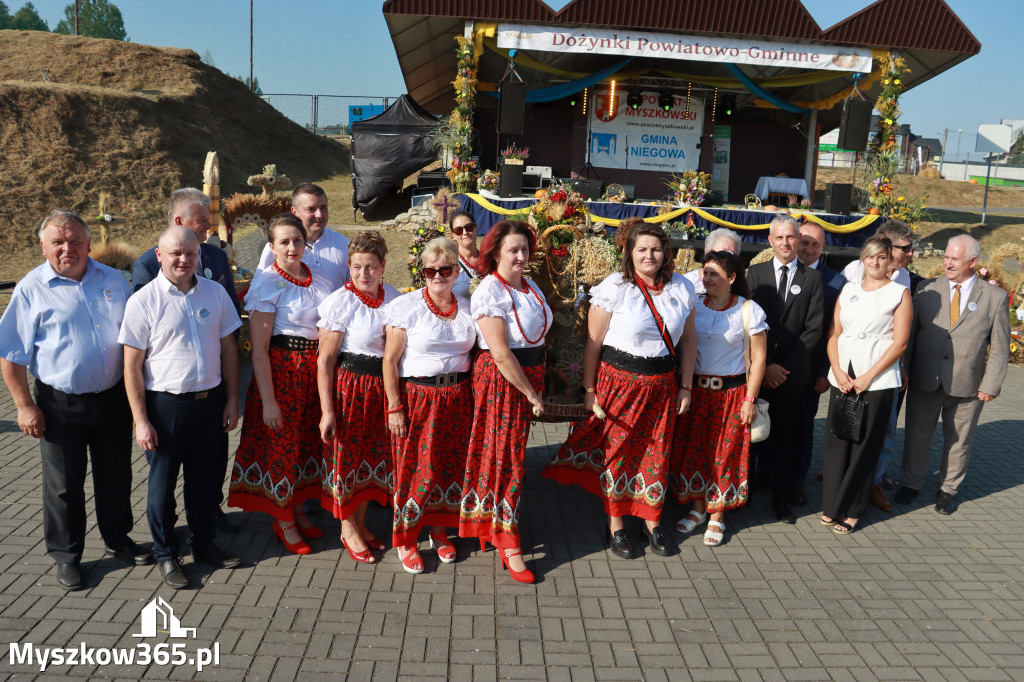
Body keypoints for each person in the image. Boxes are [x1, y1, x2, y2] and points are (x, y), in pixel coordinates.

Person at [0, 210, 152, 590]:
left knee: (116, 475)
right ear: (43, 246)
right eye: (58, 242)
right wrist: (23, 406)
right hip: (59, 404)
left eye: (75, 241)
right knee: (64, 485)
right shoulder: (31, 289)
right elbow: (10, 355)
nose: (67, 249)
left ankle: (117, 538)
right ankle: (67, 555)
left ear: (87, 243)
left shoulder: (113, 279)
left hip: (113, 399)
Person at [544, 222, 697, 559]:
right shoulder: (615, 287)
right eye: (641, 249)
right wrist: (590, 389)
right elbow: (593, 344)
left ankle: (652, 522)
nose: (649, 255)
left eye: (656, 249)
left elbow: (688, 341)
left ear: (666, 253)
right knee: (619, 454)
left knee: (655, 454)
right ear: (630, 252)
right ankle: (616, 526)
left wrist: (685, 386)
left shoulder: (682, 287)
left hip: (662, 387)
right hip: (619, 384)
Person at [120, 226, 242, 589]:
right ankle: (166, 554)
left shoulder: (216, 293)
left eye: (191, 253)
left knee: (204, 485)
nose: (184, 259)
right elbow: (131, 366)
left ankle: (204, 545)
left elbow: (230, 350)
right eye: (175, 253)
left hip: (210, 403)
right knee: (161, 490)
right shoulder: (143, 301)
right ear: (159, 256)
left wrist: (233, 400)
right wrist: (140, 420)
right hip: (165, 408)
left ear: (199, 255)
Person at [132, 187, 241, 533]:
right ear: (179, 221)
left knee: (210, 461)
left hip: (212, 383)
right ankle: (167, 539)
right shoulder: (148, 266)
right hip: (167, 395)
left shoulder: (215, 255)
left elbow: (229, 309)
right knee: (164, 476)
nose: (209, 227)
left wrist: (230, 391)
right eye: (203, 221)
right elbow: (145, 337)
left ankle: (210, 514)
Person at [228, 213, 332, 554]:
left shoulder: (316, 279)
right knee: (282, 448)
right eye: (284, 242)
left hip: (311, 375)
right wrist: (269, 401)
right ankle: (283, 520)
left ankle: (298, 510)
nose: (291, 247)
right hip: (282, 374)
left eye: (297, 240)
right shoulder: (269, 283)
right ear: (271, 247)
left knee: (305, 445)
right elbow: (258, 351)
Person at [458, 220, 551, 584]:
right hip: (503, 382)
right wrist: (529, 392)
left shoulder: (529, 286)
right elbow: (499, 353)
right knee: (504, 458)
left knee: (506, 454)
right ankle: (507, 540)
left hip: (525, 378)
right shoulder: (489, 292)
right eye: (513, 249)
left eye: (525, 249)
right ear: (495, 252)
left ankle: (491, 526)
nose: (521, 256)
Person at [895, 234, 1010, 515]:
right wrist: (904, 368)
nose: (947, 263)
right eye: (946, 257)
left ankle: (947, 490)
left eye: (954, 259)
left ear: (973, 262)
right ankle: (910, 484)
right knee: (916, 436)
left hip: (969, 384)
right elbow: (910, 334)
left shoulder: (994, 297)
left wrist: (991, 384)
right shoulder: (926, 289)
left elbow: (1000, 346)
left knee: (959, 440)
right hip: (924, 378)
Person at [384, 237, 476, 574]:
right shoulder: (406, 307)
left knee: (447, 465)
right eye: (430, 270)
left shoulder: (467, 307)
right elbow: (389, 361)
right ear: (422, 272)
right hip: (418, 398)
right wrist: (394, 406)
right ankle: (407, 537)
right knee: (414, 467)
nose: (438, 276)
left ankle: (438, 529)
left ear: (456, 272)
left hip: (458, 398)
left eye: (445, 270)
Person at [672, 251, 766, 546]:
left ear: (732, 278)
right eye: (705, 272)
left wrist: (750, 399)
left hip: (732, 394)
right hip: (696, 392)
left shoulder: (749, 310)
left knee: (725, 456)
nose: (707, 278)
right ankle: (698, 509)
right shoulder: (694, 306)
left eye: (714, 274)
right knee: (696, 451)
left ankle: (717, 516)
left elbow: (760, 358)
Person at [317, 231, 400, 564]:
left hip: (381, 388)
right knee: (347, 459)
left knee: (369, 460)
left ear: (382, 266)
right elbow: (325, 360)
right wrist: (327, 411)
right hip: (350, 388)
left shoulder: (393, 297)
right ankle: (347, 527)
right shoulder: (341, 302)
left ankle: (361, 523)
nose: (363, 275)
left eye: (370, 267)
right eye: (356, 268)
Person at [821, 236, 911, 534]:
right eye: (870, 256)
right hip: (844, 377)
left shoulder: (899, 293)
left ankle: (853, 510)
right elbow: (834, 335)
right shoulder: (848, 290)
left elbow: (899, 343)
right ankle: (832, 505)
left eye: (882, 257)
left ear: (890, 262)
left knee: (864, 447)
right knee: (838, 442)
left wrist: (869, 376)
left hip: (877, 380)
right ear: (863, 259)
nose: (875, 262)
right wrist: (836, 369)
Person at [840, 220, 924, 511]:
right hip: (853, 367)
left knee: (884, 428)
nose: (910, 254)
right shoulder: (854, 271)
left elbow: (903, 333)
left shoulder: (910, 281)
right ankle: (844, 474)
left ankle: (874, 481)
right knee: (849, 423)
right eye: (905, 248)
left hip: (889, 369)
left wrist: (901, 363)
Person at [746, 214, 824, 524]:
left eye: (791, 237)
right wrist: (762, 368)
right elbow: (745, 323)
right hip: (758, 374)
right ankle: (745, 489)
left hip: (792, 377)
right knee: (751, 436)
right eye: (779, 237)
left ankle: (781, 498)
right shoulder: (755, 274)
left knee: (786, 437)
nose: (786, 243)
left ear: (798, 238)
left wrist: (782, 368)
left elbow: (814, 329)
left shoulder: (812, 279)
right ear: (770, 241)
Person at [788, 221, 847, 506]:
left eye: (815, 244)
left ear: (823, 248)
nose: (808, 249)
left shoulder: (836, 282)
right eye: (804, 242)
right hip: (776, 368)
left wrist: (825, 371)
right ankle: (766, 473)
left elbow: (835, 332)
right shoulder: (782, 272)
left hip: (812, 370)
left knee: (802, 427)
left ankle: (797, 480)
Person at [257, 183, 350, 290]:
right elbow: (259, 287)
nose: (319, 214)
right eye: (311, 209)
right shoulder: (276, 248)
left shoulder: (344, 243)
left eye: (323, 208)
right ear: (294, 212)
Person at [684, 227, 743, 295]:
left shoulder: (739, 284)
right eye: (722, 253)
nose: (727, 258)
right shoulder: (687, 283)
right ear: (708, 253)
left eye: (732, 254)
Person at [448, 210, 480, 298]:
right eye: (458, 230)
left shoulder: (490, 261)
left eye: (469, 227)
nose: (465, 233)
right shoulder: (449, 264)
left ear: (476, 229)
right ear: (453, 235)